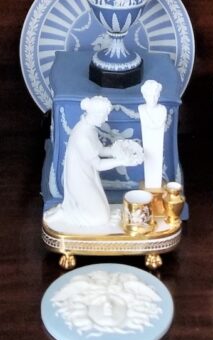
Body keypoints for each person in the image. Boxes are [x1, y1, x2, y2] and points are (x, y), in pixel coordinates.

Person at [44, 96, 142, 231]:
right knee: (100, 218)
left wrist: (117, 151)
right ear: (95, 114)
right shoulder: (83, 136)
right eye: (104, 115)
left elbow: (100, 150)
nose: (106, 119)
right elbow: (99, 164)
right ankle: (67, 213)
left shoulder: (89, 128)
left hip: (87, 175)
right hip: (80, 179)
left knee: (104, 213)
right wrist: (122, 161)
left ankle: (68, 210)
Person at [139, 79, 166, 188]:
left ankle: (155, 186)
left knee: (156, 161)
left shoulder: (162, 110)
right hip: (148, 140)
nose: (153, 99)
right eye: (150, 96)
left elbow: (158, 124)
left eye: (155, 96)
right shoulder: (142, 109)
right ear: (144, 96)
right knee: (149, 159)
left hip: (157, 142)